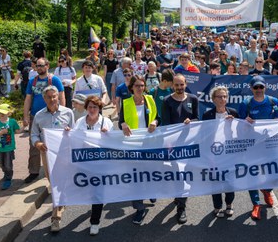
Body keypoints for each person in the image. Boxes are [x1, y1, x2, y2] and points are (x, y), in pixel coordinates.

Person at [31, 86, 74, 232]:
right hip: (47, 154)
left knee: (57, 183)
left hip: (63, 154)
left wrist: (70, 132)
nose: (52, 99)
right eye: (49, 97)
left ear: (58, 96)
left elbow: (75, 132)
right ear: (44, 99)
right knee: (53, 182)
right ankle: (61, 201)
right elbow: (34, 135)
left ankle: (55, 217)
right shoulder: (39, 116)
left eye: (54, 96)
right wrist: (38, 143)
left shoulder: (68, 113)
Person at [239, 76, 278, 220]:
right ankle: (256, 204)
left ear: (265, 87)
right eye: (255, 87)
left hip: (270, 144)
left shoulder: (273, 101)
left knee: (276, 173)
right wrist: (245, 121)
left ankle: (267, 190)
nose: (258, 90)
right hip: (252, 145)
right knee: (253, 174)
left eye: (260, 87)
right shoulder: (246, 103)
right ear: (251, 88)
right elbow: (239, 125)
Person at [118, 76, 159, 225]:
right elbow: (120, 121)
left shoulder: (150, 100)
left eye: (142, 85)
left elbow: (158, 118)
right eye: (137, 86)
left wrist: (154, 122)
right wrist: (122, 124)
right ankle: (139, 208)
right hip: (133, 145)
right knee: (136, 177)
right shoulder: (126, 102)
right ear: (132, 88)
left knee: (149, 173)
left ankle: (151, 192)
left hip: (149, 144)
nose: (140, 88)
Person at [161, 74, 199, 224]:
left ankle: (181, 203)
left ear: (185, 84)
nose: (179, 88)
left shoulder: (193, 99)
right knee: (178, 175)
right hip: (174, 145)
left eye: (181, 85)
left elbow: (198, 118)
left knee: (186, 175)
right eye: (176, 85)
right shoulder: (167, 101)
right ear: (172, 86)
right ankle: (181, 206)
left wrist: (192, 121)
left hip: (189, 145)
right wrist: (169, 145)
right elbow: (165, 125)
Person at [73, 95, 113, 235]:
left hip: (100, 164)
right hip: (84, 163)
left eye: (95, 107)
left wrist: (108, 135)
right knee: (88, 190)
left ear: (99, 108)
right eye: (89, 107)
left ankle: (94, 222)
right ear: (86, 108)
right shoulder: (79, 122)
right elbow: (73, 140)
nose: (92, 109)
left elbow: (114, 143)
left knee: (98, 192)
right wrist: (67, 133)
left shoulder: (106, 122)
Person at [23, 57, 65, 184]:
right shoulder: (32, 81)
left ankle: (56, 168)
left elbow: (61, 97)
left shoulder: (54, 80)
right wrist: (25, 116)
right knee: (34, 143)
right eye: (37, 66)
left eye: (41, 65)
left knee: (55, 143)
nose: (39, 68)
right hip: (36, 116)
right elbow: (28, 98)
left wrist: (62, 113)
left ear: (47, 66)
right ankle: (34, 171)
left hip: (52, 115)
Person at [202, 86, 238, 218]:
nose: (223, 99)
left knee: (230, 181)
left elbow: (241, 133)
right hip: (213, 154)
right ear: (213, 99)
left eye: (224, 96)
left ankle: (229, 204)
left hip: (229, 154)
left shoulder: (233, 113)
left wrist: (233, 124)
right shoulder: (207, 115)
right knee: (215, 181)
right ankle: (217, 206)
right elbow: (204, 135)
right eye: (219, 97)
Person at [0, 104, 21, 190]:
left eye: (3, 113)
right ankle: (6, 173)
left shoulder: (12, 122)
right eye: (0, 113)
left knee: (8, 165)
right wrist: (0, 133)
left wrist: (25, 126)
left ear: (9, 113)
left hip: (9, 148)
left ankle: (8, 179)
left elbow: (17, 131)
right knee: (1, 163)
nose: (1, 114)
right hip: (0, 148)